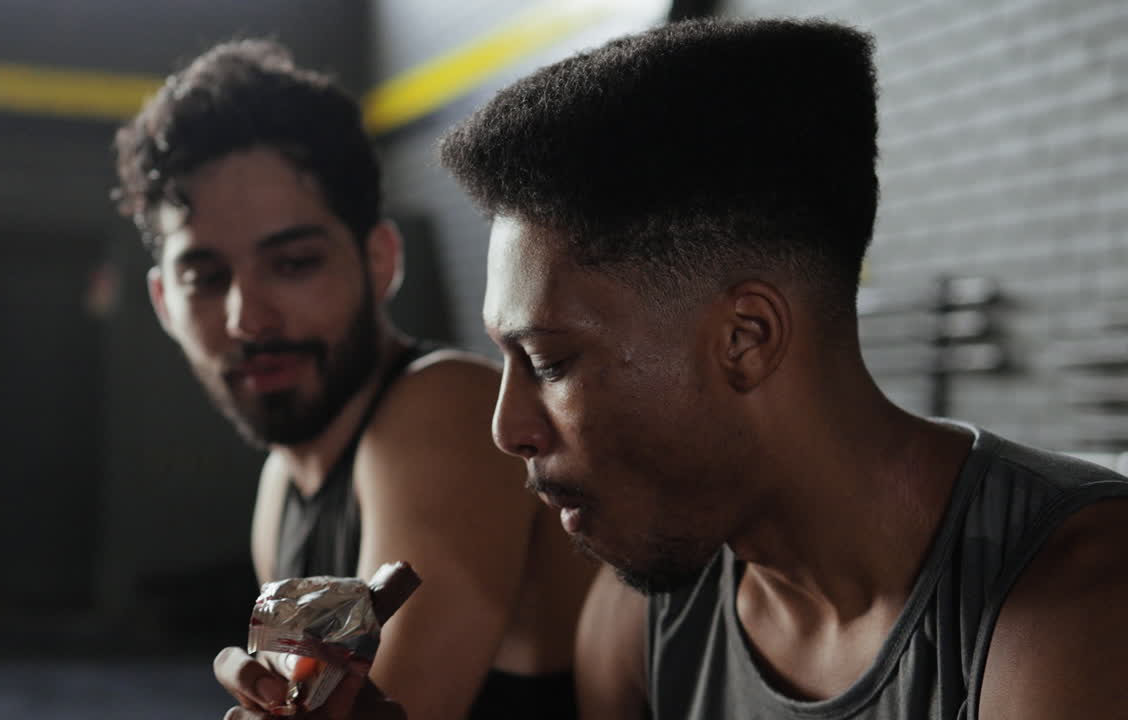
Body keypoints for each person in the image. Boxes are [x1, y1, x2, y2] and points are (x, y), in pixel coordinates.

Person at [433, 16, 1128, 720]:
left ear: (747, 339)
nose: (506, 427)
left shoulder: (1081, 601)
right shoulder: (641, 618)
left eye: (548, 362)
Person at [112, 39, 595, 720]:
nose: (248, 317)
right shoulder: (282, 487)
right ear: (165, 303)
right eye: (207, 278)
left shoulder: (445, 411)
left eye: (294, 263)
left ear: (380, 261)